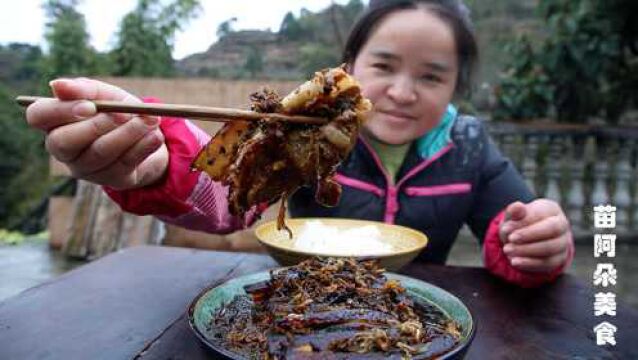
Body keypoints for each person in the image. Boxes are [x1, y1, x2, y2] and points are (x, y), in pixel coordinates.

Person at [25, 0, 573, 287]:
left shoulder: (470, 147)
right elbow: (228, 197)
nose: (403, 93)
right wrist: (155, 162)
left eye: (432, 76)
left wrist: (532, 244)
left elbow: (515, 225)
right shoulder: (301, 136)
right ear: (351, 65)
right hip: (298, 317)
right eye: (383, 66)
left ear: (456, 86)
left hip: (416, 321)